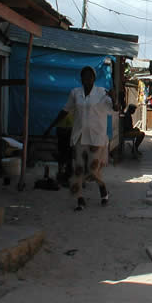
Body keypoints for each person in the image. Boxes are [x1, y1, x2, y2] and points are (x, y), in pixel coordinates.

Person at [45, 66, 117, 211]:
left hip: (96, 137)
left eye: (90, 76)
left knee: (92, 169)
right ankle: (80, 199)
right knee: (77, 169)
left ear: (94, 78)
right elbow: (65, 111)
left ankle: (102, 187)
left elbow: (115, 109)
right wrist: (50, 126)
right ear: (81, 78)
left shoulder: (102, 93)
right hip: (79, 136)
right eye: (84, 76)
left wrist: (114, 99)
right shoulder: (75, 93)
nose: (87, 78)